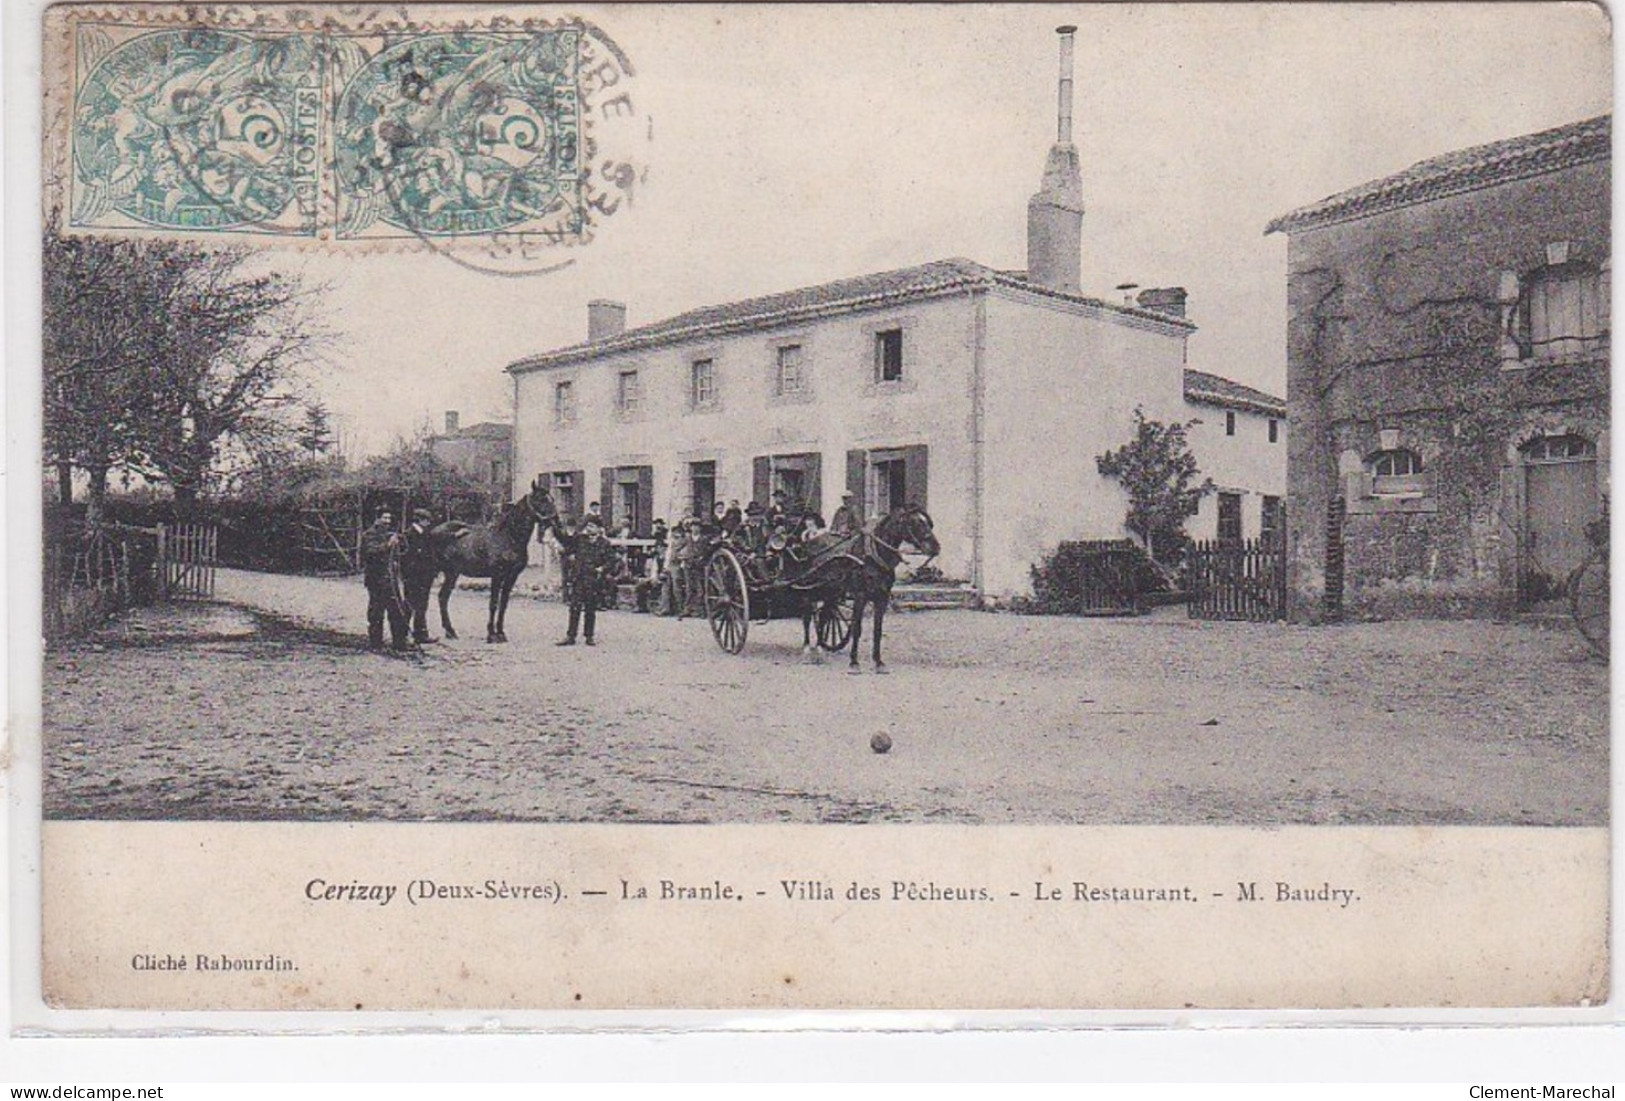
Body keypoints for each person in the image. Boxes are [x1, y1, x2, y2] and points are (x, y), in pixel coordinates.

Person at [554, 515, 611, 646]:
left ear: (598, 528)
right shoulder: (580, 539)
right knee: (574, 607)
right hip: (579, 577)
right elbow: (567, 545)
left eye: (592, 526)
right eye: (587, 526)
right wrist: (556, 531)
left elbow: (610, 561)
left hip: (593, 579)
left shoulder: (604, 543)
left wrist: (602, 568)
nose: (588, 529)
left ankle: (589, 636)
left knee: (590, 608)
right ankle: (571, 636)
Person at [360, 509, 409, 652]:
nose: (387, 521)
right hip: (376, 579)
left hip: (390, 579)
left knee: (397, 612)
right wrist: (387, 545)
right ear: (377, 519)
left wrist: (398, 542)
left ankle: (399, 643)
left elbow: (402, 551)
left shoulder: (389, 534)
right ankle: (376, 644)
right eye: (384, 518)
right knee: (376, 613)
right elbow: (370, 552)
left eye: (389, 518)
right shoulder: (369, 535)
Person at [399, 507, 440, 644]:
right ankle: (402, 634)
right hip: (413, 576)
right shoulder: (408, 535)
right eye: (427, 520)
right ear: (420, 520)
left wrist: (433, 571)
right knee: (410, 604)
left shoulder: (426, 534)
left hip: (425, 576)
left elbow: (431, 555)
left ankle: (420, 634)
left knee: (423, 605)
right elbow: (405, 558)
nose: (428, 523)